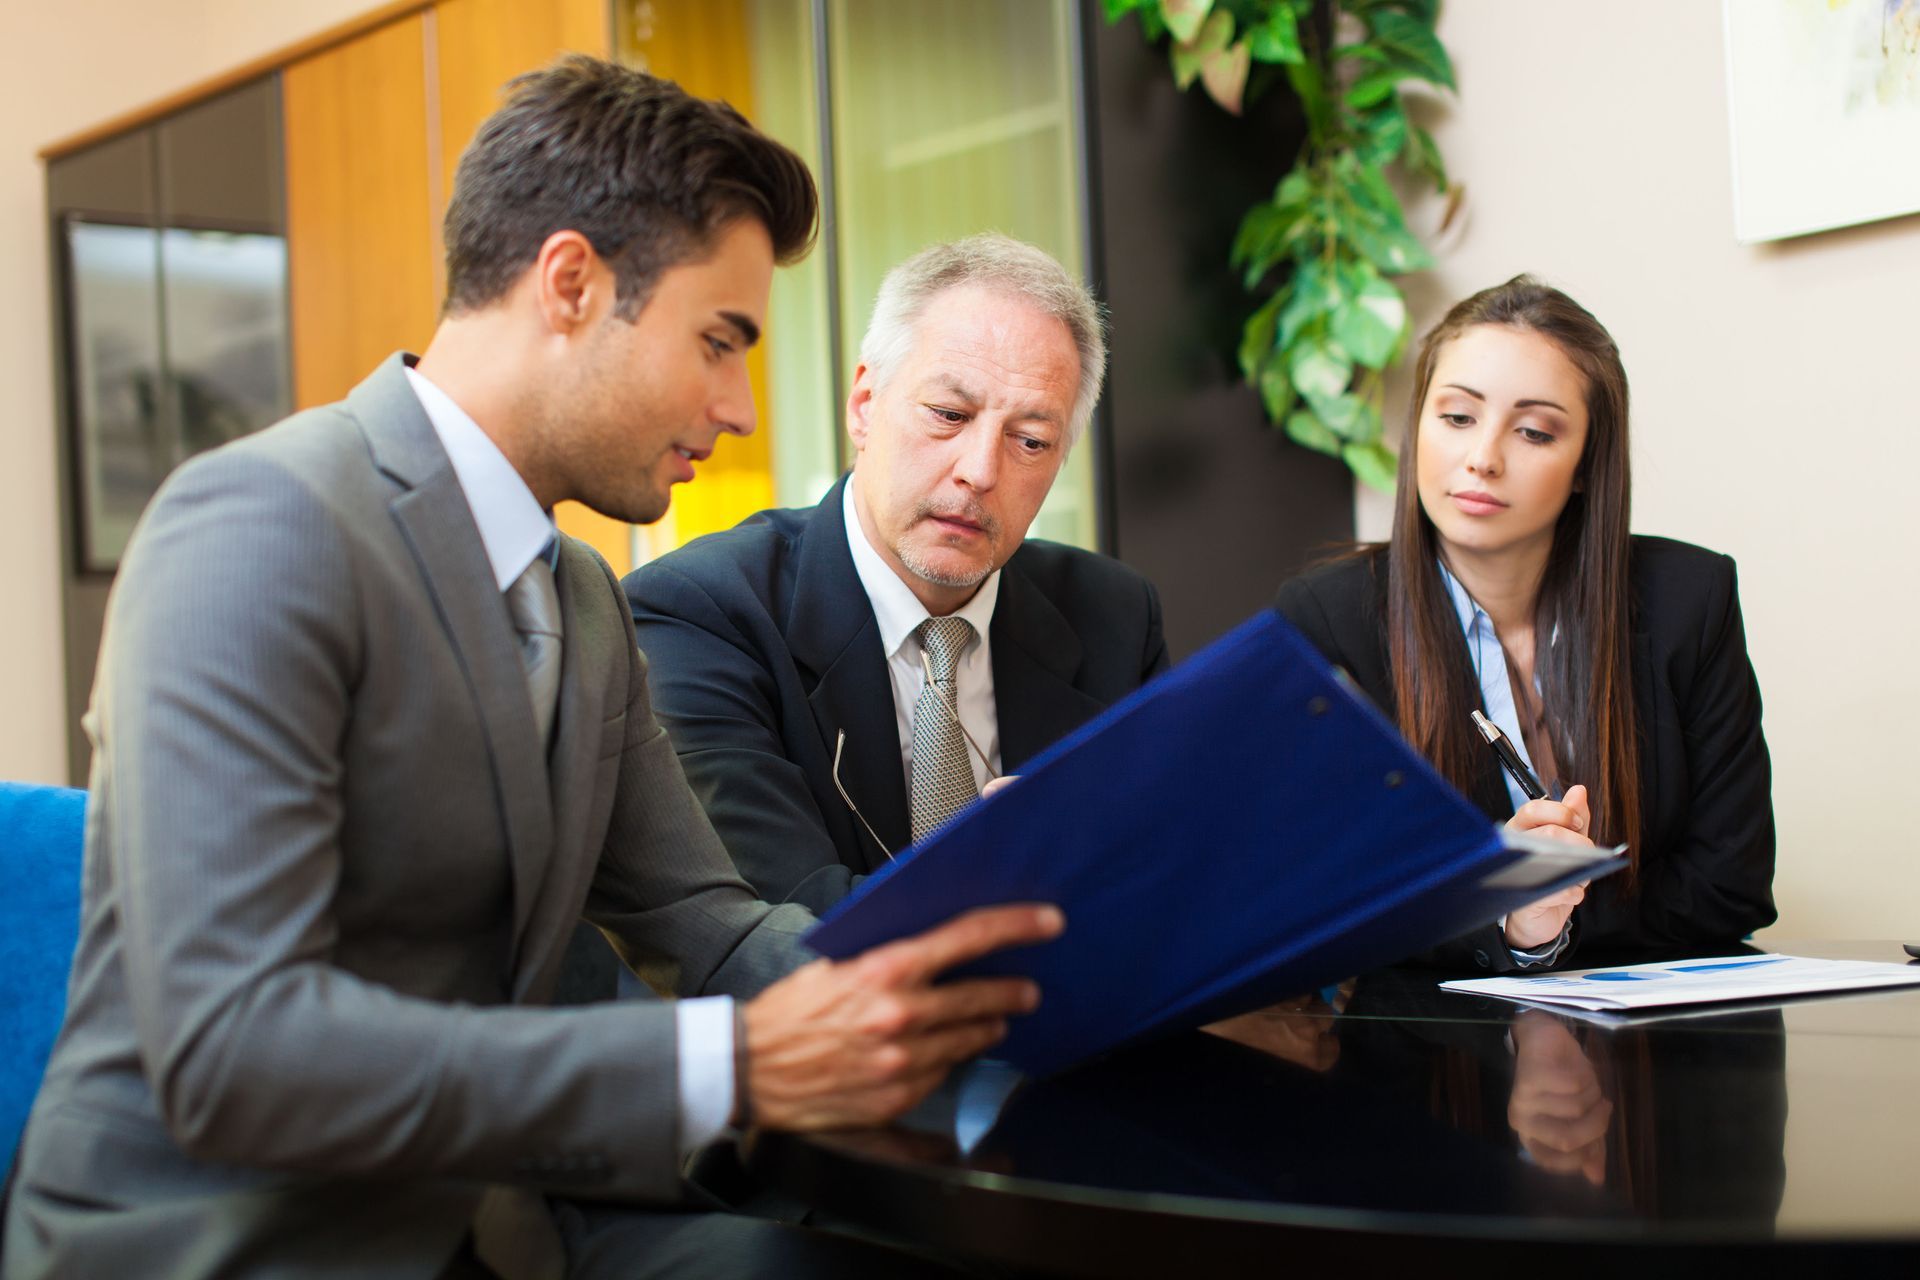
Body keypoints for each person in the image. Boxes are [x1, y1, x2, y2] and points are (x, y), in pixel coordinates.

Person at [3, 57, 1063, 1280]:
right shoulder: (258, 525)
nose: (740, 407)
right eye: (720, 342)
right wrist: (729, 1063)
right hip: (233, 1242)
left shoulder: (579, 598)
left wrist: (1004, 970)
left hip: (500, 1222)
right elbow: (231, 1048)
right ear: (571, 284)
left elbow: (710, 928)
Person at [623, 234, 1168, 914]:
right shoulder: (701, 613)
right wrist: (1001, 878)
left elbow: (1162, 882)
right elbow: (783, 922)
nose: (980, 471)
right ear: (865, 404)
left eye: (1030, 441)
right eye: (948, 415)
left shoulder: (1113, 614)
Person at [1274, 275, 1774, 971]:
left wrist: (1541, 915)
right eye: (1456, 418)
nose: (1483, 457)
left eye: (1534, 431)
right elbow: (1328, 902)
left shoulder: (1690, 597)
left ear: (1583, 468)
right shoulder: (1327, 620)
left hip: (1656, 1044)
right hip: (1435, 1058)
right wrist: (1511, 917)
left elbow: (1731, 890)